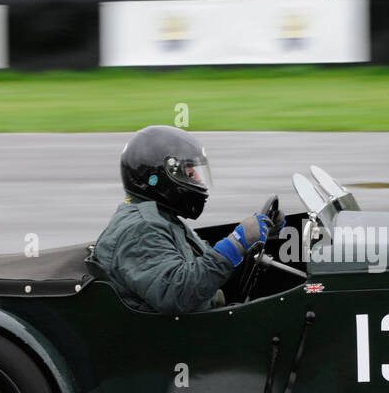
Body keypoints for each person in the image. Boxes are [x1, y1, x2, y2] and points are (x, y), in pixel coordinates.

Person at [92, 125, 279, 314]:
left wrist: (254, 241)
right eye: (189, 173)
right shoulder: (140, 230)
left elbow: (207, 270)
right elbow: (177, 295)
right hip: (175, 335)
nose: (197, 179)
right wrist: (235, 243)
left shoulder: (162, 218)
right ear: (156, 177)